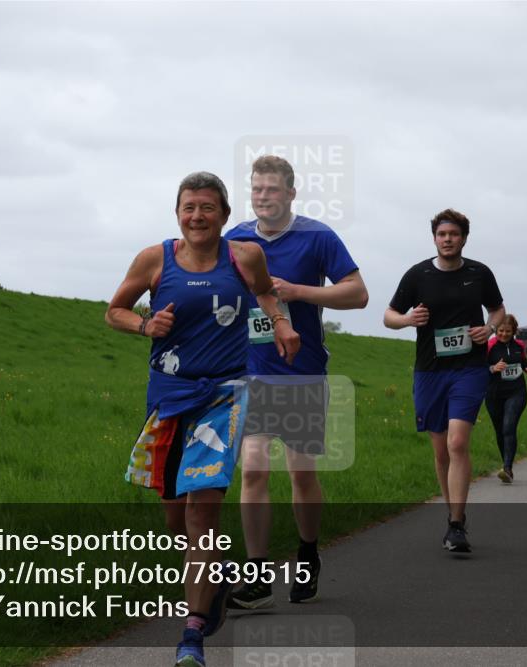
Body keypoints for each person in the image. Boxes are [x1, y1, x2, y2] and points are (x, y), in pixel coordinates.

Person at [106, 172, 300, 667]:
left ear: (224, 215)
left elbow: (265, 293)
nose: (197, 216)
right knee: (176, 517)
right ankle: (218, 572)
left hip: (224, 397)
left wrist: (280, 323)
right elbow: (115, 311)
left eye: (207, 208)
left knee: (202, 512)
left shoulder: (245, 256)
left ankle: (191, 633)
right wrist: (146, 325)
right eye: (189, 207)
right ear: (177, 213)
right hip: (169, 398)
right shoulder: (154, 259)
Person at [224, 155, 368, 608]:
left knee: (301, 473)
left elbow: (358, 293)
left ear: (290, 192)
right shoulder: (235, 240)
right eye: (256, 189)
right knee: (253, 467)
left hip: (301, 371)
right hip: (250, 372)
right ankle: (258, 574)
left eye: (271, 189)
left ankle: (308, 553)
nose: (263, 196)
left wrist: (298, 292)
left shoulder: (317, 237)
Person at [384, 208, 505, 553]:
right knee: (441, 451)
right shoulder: (417, 275)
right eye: (442, 234)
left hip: (469, 368)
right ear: (434, 238)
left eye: (453, 234)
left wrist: (490, 328)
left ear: (464, 238)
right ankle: (453, 514)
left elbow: (498, 310)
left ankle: (456, 524)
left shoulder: (479, 273)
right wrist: (408, 320)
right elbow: (388, 316)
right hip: (430, 371)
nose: (447, 239)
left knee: (457, 442)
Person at [485, 314, 527, 483]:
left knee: (508, 427)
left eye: (508, 331)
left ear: (514, 331)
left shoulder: (519, 346)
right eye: (501, 331)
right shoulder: (489, 346)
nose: (504, 334)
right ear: (496, 330)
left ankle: (507, 468)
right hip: (494, 394)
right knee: (500, 431)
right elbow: (479, 368)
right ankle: (506, 464)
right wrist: (493, 368)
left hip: (516, 392)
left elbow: (524, 363)